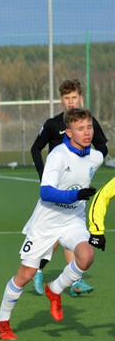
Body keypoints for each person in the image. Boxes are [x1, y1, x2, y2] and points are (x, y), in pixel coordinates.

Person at [0, 107, 102, 340]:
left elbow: (101, 148)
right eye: (80, 129)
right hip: (46, 222)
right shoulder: (58, 155)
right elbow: (45, 193)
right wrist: (75, 195)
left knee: (86, 257)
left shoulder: (96, 157)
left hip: (73, 220)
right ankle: (2, 320)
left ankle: (54, 290)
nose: (87, 133)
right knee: (25, 274)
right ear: (69, 132)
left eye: (90, 127)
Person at [29, 78, 109, 296]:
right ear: (61, 100)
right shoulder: (53, 124)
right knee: (55, 236)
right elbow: (36, 148)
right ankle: (38, 270)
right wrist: (42, 173)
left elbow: (102, 146)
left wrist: (91, 164)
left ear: (80, 98)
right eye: (67, 98)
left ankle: (73, 280)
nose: (71, 102)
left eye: (74, 97)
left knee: (71, 235)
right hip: (56, 189)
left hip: (76, 189)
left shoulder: (89, 122)